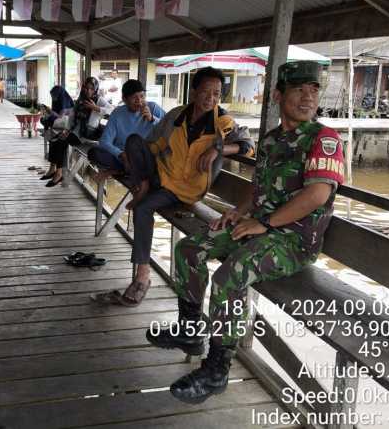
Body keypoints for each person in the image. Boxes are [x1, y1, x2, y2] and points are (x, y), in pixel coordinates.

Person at [150, 61, 345, 405]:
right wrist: (237, 213)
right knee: (190, 250)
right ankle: (190, 331)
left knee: (230, 275)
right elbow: (258, 190)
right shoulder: (271, 141)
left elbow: (317, 194)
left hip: (293, 241)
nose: (308, 98)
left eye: (314, 90)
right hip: (258, 227)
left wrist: (264, 223)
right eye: (299, 90)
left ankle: (217, 368)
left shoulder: (323, 139)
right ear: (278, 95)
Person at [94, 67, 254, 307]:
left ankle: (142, 277)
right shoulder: (177, 115)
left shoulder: (223, 121)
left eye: (216, 94)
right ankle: (144, 184)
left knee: (143, 208)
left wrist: (218, 149)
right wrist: (137, 162)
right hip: (162, 176)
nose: (210, 98)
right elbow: (154, 143)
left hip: (185, 189)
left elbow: (248, 145)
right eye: (205, 92)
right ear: (193, 92)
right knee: (134, 142)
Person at [40, 77, 113, 187]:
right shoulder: (81, 100)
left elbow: (112, 110)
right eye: (87, 88)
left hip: (87, 135)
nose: (89, 91)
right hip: (76, 131)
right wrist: (66, 130)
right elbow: (72, 117)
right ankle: (52, 169)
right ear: (83, 88)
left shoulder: (99, 100)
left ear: (95, 89)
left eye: (92, 89)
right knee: (55, 138)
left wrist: (96, 108)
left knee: (61, 141)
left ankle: (59, 173)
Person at [88, 80, 165, 175]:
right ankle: (127, 169)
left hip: (146, 158)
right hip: (123, 158)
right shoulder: (118, 113)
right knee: (94, 153)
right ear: (124, 99)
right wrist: (122, 155)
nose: (139, 101)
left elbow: (170, 129)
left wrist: (152, 119)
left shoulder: (153, 108)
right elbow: (104, 141)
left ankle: (125, 170)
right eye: (134, 98)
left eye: (142, 96)